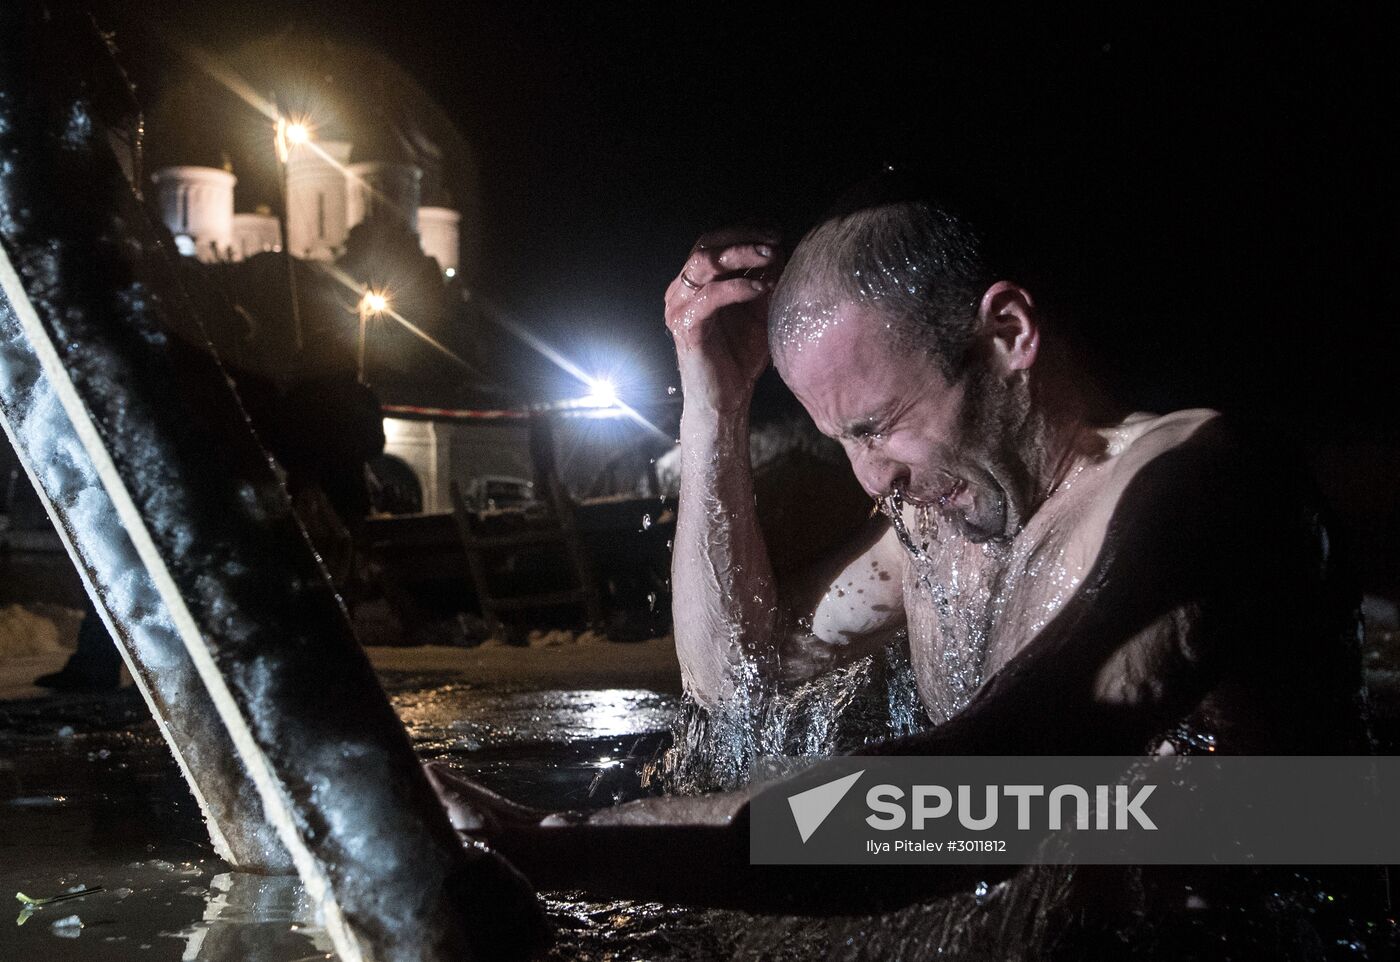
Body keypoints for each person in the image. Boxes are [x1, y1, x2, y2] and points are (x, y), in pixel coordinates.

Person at [425, 178, 1368, 907]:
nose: (870, 482)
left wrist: (563, 844)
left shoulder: (1200, 489)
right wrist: (715, 400)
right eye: (842, 442)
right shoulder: (947, 533)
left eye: (879, 425)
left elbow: (996, 796)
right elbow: (733, 686)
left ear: (1009, 332)